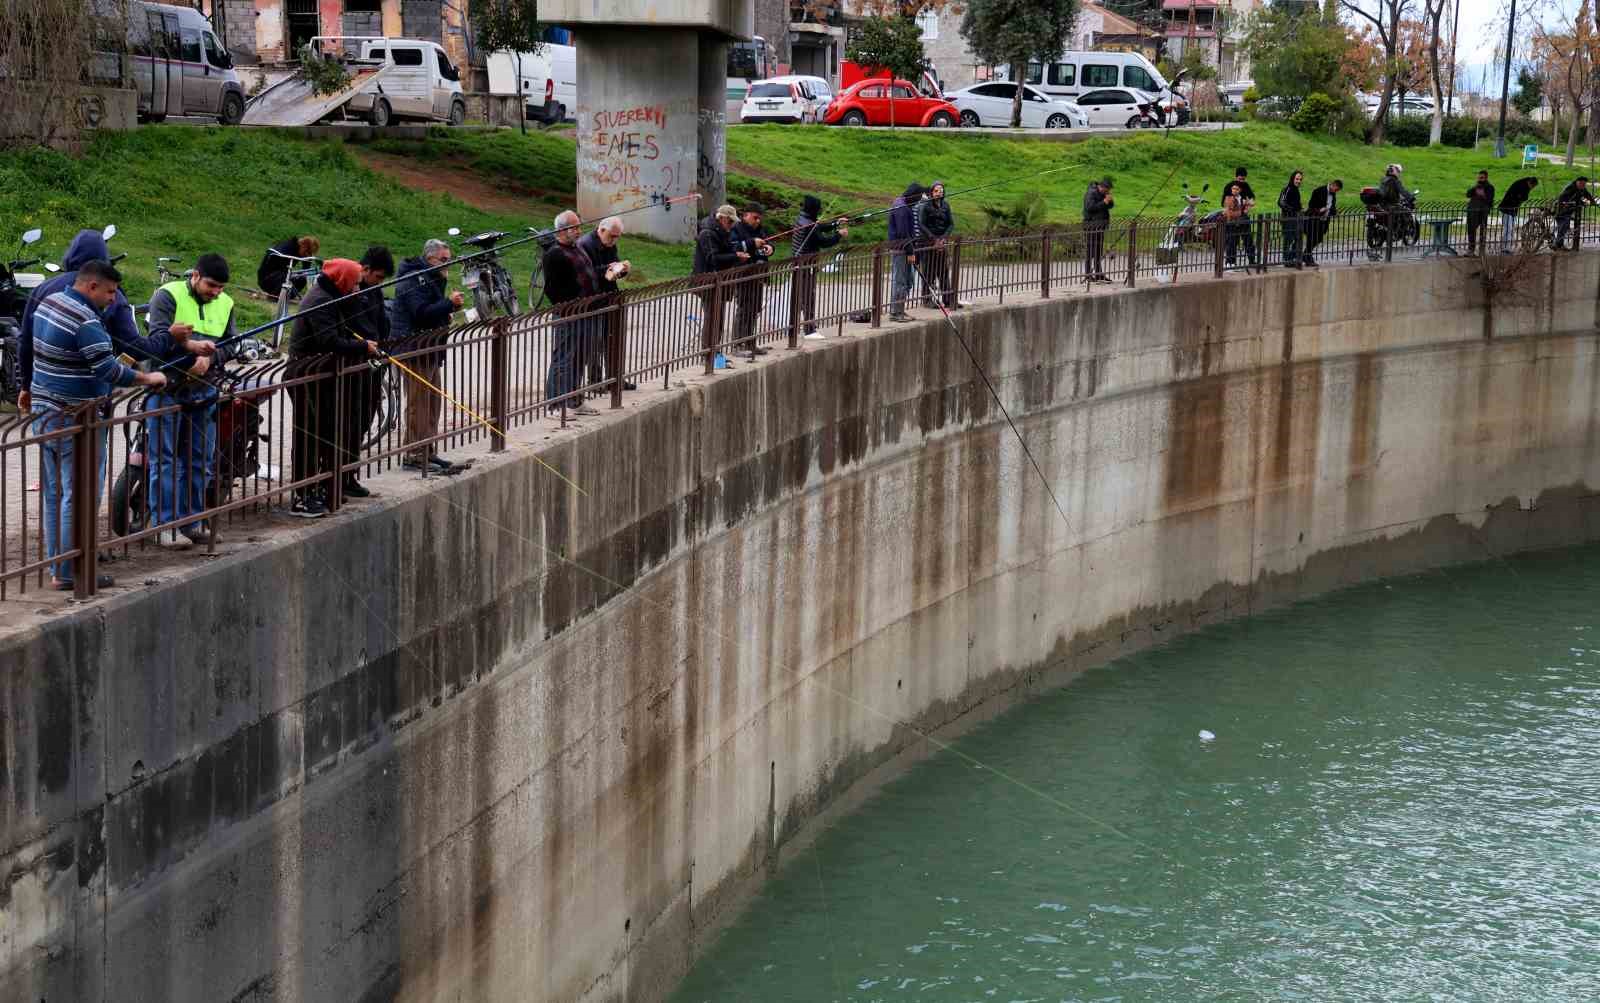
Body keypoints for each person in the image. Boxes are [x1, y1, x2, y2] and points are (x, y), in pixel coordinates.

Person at [28, 261, 167, 589]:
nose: (113, 299)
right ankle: (68, 572)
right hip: (76, 417)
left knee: (55, 493)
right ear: (92, 286)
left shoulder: (49, 302)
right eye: (110, 292)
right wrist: (148, 378)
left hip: (43, 410)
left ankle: (57, 563)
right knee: (78, 495)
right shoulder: (86, 321)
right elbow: (109, 370)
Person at [19, 228, 212, 405]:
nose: (111, 297)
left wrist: (25, 386)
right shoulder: (108, 296)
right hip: (83, 406)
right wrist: (169, 338)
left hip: (44, 401)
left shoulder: (43, 290)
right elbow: (132, 349)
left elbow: (26, 341)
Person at [144, 253, 239, 548]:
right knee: (165, 460)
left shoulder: (226, 303)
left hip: (204, 391)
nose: (216, 292)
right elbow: (156, 341)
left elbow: (231, 343)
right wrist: (190, 354)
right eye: (211, 285)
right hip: (167, 389)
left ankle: (193, 522)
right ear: (195, 276)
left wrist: (212, 358)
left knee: (200, 460)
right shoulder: (167, 295)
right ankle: (165, 525)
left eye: (221, 287)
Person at [285, 259, 380, 519]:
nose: (357, 289)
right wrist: (363, 347)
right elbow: (329, 340)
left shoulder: (332, 295)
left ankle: (326, 483)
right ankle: (303, 495)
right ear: (342, 280)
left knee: (328, 431)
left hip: (322, 375)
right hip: (305, 375)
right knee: (309, 435)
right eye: (355, 284)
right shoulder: (320, 301)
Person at [391, 238, 464, 473]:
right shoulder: (413, 279)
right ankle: (414, 453)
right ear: (430, 258)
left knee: (432, 402)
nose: (448, 264)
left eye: (449, 260)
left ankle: (427, 449)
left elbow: (433, 310)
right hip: (414, 349)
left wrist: (449, 309)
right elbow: (421, 313)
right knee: (418, 403)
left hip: (430, 348)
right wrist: (448, 304)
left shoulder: (432, 276)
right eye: (444, 260)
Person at [343, 245, 394, 498]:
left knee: (364, 419)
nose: (379, 282)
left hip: (374, 363)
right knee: (348, 422)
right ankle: (339, 475)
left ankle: (349, 473)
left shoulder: (375, 291)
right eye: (378, 277)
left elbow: (381, 322)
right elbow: (354, 326)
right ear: (366, 269)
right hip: (354, 364)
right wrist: (367, 345)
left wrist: (384, 346)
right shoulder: (350, 289)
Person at [542, 209, 601, 415]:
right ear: (561, 230)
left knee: (579, 358)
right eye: (574, 227)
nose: (578, 231)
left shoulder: (577, 248)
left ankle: (574, 401)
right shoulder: (554, 254)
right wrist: (571, 305)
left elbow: (588, 273)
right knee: (564, 359)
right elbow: (552, 290)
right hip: (569, 315)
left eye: (579, 226)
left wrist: (608, 271)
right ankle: (556, 405)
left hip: (587, 311)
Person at [579, 216, 636, 391]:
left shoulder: (610, 244)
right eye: (612, 236)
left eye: (617, 237)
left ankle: (615, 378)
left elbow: (614, 266)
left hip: (610, 297)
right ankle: (595, 381)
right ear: (601, 230)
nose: (614, 240)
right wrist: (607, 270)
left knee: (613, 339)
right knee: (595, 342)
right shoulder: (585, 245)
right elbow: (586, 274)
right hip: (593, 299)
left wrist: (622, 269)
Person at [692, 204, 749, 348]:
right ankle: (708, 352)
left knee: (718, 319)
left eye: (733, 222)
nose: (732, 225)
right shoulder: (707, 233)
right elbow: (713, 258)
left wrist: (737, 255)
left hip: (719, 281)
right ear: (722, 218)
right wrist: (735, 256)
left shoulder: (723, 231)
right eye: (730, 221)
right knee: (712, 319)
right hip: (707, 282)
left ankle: (714, 351)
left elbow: (727, 251)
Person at [791, 195, 848, 337]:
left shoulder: (802, 219)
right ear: (814, 210)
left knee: (801, 297)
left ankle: (794, 327)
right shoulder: (809, 226)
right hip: (806, 266)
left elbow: (818, 227)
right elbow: (823, 241)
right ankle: (810, 330)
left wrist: (835, 223)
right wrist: (839, 235)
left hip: (798, 264)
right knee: (808, 297)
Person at [731, 203, 774, 355]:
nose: (758, 221)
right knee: (744, 308)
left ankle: (750, 342)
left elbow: (768, 242)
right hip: (743, 275)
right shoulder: (736, 229)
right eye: (755, 218)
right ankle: (738, 344)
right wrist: (751, 243)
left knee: (754, 309)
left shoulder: (760, 229)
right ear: (746, 215)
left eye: (760, 218)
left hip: (759, 275)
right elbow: (733, 248)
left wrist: (770, 248)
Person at [916, 181, 958, 308]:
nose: (939, 192)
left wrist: (944, 238)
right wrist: (933, 239)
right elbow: (921, 224)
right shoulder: (925, 206)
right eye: (936, 190)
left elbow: (951, 224)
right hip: (928, 243)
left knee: (943, 272)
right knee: (928, 272)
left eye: (941, 190)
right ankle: (927, 300)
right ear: (931, 193)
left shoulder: (946, 205)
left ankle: (948, 299)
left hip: (942, 243)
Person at [888, 182, 925, 320]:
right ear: (913, 195)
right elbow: (903, 233)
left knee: (908, 281)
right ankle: (896, 312)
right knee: (901, 281)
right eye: (918, 198)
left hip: (906, 249)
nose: (918, 201)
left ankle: (900, 310)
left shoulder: (903, 204)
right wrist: (910, 252)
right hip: (901, 250)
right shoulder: (901, 208)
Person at [256, 235, 320, 299]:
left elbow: (305, 270)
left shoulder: (298, 249)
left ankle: (286, 295)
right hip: (266, 278)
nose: (308, 255)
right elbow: (277, 266)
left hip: (278, 276)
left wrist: (307, 262)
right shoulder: (287, 248)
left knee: (303, 277)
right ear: (304, 246)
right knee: (288, 276)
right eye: (308, 252)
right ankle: (276, 296)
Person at [1303, 179, 1341, 266]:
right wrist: (1319, 210)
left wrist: (1335, 212)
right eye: (1336, 189)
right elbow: (1311, 206)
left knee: (1318, 239)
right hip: (1313, 219)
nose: (1336, 192)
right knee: (1312, 239)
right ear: (1333, 185)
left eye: (1337, 190)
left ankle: (1305, 255)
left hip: (1324, 221)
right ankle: (1307, 257)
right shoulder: (1318, 191)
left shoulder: (1333, 194)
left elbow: (1332, 206)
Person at [1082, 177, 1114, 283]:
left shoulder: (1104, 194)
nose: (1108, 191)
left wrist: (1109, 201)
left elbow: (1110, 206)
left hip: (1101, 226)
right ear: (1102, 187)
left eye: (1109, 190)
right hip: (1091, 225)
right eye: (1107, 189)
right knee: (1090, 251)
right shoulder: (1091, 193)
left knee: (1098, 251)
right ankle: (1088, 275)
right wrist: (1104, 202)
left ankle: (1099, 274)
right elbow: (1090, 208)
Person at [1552, 176, 1596, 250]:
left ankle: (1559, 244)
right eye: (1581, 184)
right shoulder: (1570, 188)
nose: (1583, 186)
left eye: (1584, 184)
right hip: (1561, 210)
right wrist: (1578, 202)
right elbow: (1563, 198)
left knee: (1564, 227)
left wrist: (1592, 202)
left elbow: (1587, 195)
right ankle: (1557, 244)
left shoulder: (1582, 189)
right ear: (1577, 182)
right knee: (1563, 226)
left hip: (1568, 210)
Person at [1497, 176, 1539, 251]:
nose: (1532, 188)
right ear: (1530, 183)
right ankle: (1505, 248)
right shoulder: (1522, 186)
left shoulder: (1524, 185)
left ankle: (1508, 247)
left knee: (1511, 228)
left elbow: (1523, 198)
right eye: (1532, 186)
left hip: (1513, 209)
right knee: (1508, 229)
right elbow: (1521, 197)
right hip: (1507, 208)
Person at [1222, 181, 1256, 269]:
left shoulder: (1242, 199)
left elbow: (1252, 203)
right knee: (1232, 243)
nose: (1234, 190)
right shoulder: (1229, 198)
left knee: (1248, 241)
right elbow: (1229, 212)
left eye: (1236, 189)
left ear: (1240, 190)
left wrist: (1248, 206)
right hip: (1232, 223)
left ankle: (1252, 260)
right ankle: (1229, 262)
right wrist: (1241, 212)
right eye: (1233, 189)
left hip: (1243, 222)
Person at [1277, 170, 1305, 269]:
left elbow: (1296, 204)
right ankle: (1286, 259)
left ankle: (1290, 258)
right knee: (1288, 239)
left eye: (1300, 179)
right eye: (1297, 179)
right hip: (1288, 218)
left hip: (1296, 218)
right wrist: (1292, 210)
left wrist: (1301, 209)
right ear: (1292, 178)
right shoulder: (1287, 189)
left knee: (1297, 239)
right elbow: (1281, 202)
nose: (1298, 181)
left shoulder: (1296, 190)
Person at [1465, 171, 1495, 256]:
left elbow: (1490, 201)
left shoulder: (1490, 187)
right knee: (1471, 230)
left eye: (1481, 178)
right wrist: (1474, 188)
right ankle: (1471, 250)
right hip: (1472, 210)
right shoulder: (1476, 186)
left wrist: (1483, 195)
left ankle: (1482, 250)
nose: (1479, 179)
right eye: (1478, 177)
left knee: (1483, 230)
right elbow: (1468, 194)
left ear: (1486, 178)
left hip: (1483, 211)